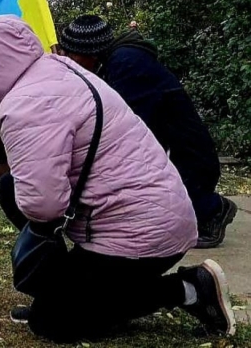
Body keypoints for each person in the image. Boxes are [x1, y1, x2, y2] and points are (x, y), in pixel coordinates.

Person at [0, 15, 235, 342]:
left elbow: (44, 206)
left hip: (141, 236)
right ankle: (76, 295)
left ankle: (188, 289)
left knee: (52, 323)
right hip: (160, 214)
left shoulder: (25, 106)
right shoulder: (58, 70)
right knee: (9, 188)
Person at [56, 15, 236, 249]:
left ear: (90, 52)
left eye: (71, 54)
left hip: (189, 156)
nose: (69, 60)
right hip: (180, 150)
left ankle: (215, 209)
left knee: (172, 201)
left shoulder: (126, 63)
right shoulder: (115, 62)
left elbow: (130, 124)